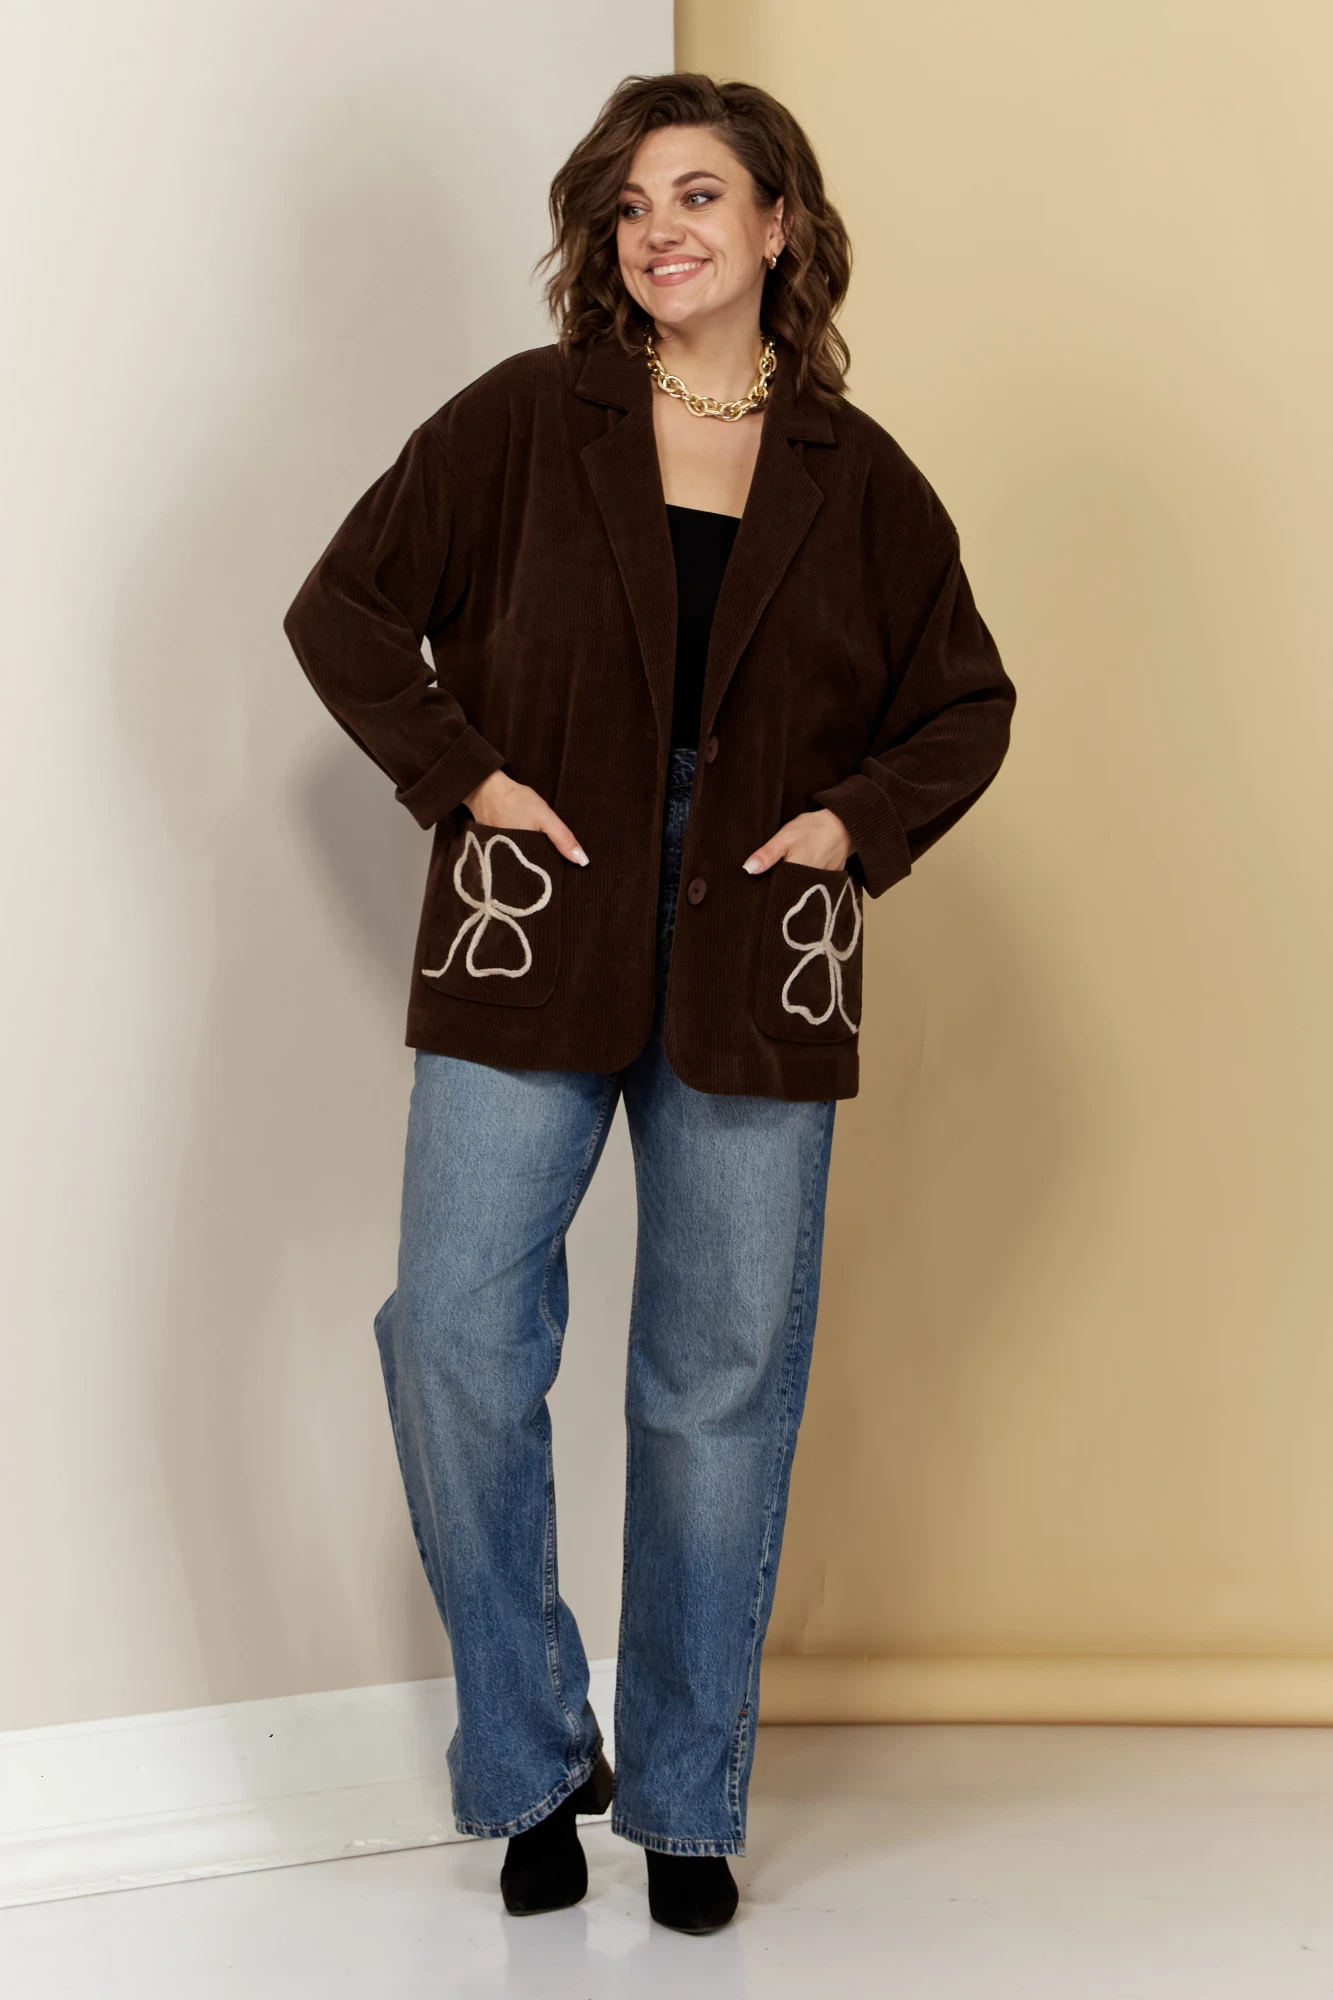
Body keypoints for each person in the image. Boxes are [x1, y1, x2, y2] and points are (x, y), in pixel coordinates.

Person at [283, 71, 1015, 1935]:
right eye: (628, 205)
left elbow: (967, 703)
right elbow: (344, 610)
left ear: (780, 224)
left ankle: (687, 1800)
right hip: (542, 913)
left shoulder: (858, 473)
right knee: (453, 1331)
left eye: (698, 194)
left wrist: (853, 824)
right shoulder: (527, 420)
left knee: (718, 1380)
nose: (658, 229)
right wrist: (465, 775)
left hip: (763, 938)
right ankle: (535, 1756)